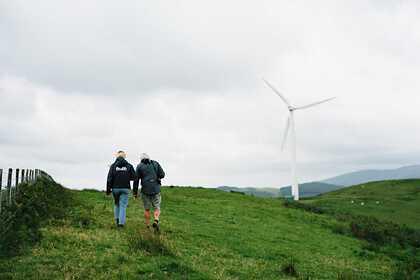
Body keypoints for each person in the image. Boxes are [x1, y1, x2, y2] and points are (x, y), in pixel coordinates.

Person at [133, 153, 165, 232]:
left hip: (145, 190)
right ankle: (156, 220)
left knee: (147, 209)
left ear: (141, 159)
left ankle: (147, 225)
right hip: (156, 189)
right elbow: (162, 174)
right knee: (157, 207)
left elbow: (136, 180)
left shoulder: (139, 166)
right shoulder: (155, 163)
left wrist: (135, 192)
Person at [106, 151, 136, 228]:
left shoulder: (113, 166)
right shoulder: (129, 166)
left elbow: (109, 179)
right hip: (125, 188)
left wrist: (108, 190)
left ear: (117, 157)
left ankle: (117, 220)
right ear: (124, 157)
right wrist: (126, 177)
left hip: (115, 188)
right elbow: (134, 177)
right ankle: (121, 224)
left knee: (116, 204)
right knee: (123, 206)